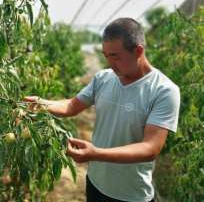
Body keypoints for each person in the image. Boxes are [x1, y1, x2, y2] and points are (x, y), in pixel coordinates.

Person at [24, 17, 180, 202]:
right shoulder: (103, 79)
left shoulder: (163, 90)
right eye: (106, 56)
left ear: (138, 51)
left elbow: (150, 148)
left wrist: (95, 154)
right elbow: (71, 106)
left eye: (115, 56)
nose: (110, 64)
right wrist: (41, 103)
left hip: (131, 195)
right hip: (96, 184)